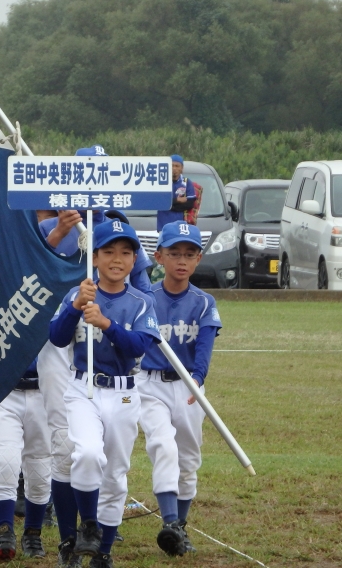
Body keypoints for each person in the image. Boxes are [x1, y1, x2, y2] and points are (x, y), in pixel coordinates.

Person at [38, 145, 153, 568]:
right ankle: (77, 534)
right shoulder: (56, 224)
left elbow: (140, 335)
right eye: (109, 253)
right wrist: (75, 304)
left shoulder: (138, 294)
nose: (118, 259)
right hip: (74, 372)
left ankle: (101, 548)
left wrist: (105, 320)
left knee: (114, 472)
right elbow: (55, 333)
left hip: (121, 383)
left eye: (125, 253)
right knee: (74, 451)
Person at [136, 220, 222, 556]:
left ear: (198, 259)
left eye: (189, 254)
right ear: (159, 256)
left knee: (188, 460)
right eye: (174, 253)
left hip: (188, 387)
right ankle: (169, 523)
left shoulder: (203, 303)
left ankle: (180, 527)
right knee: (163, 447)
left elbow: (204, 350)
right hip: (151, 384)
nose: (182, 260)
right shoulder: (147, 298)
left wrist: (198, 380)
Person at [0, 359, 52, 561]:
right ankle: (4, 532)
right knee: (5, 461)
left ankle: (33, 533)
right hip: (5, 391)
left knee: (40, 470)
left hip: (44, 392)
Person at [156, 154, 196, 231]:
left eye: (177, 166)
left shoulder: (187, 182)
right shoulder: (161, 182)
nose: (174, 168)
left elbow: (190, 204)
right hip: (163, 225)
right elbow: (160, 201)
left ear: (182, 168)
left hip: (181, 226)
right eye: (172, 165)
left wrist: (170, 205)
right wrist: (177, 200)